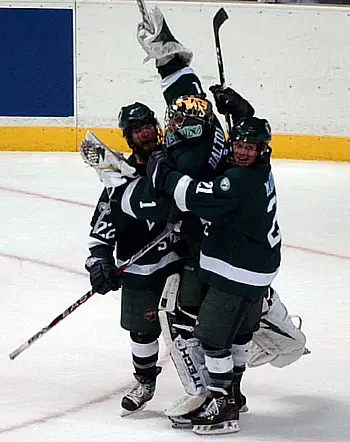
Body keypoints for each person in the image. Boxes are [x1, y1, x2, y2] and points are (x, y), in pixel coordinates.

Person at [137, 7, 283, 435]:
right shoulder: (246, 156)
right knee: (237, 337)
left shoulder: (233, 181)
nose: (240, 150)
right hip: (256, 265)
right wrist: (239, 107)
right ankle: (233, 391)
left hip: (235, 269)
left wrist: (160, 173)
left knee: (210, 336)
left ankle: (222, 405)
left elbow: (192, 196)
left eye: (247, 148)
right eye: (239, 144)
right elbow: (195, 99)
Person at [84, 102, 186, 415]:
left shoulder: (175, 165)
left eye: (148, 126)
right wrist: (100, 261)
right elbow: (101, 232)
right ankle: (145, 381)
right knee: (141, 331)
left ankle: (210, 388)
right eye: (137, 130)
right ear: (128, 138)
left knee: (189, 328)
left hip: (178, 264)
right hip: (140, 269)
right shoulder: (119, 181)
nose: (145, 133)